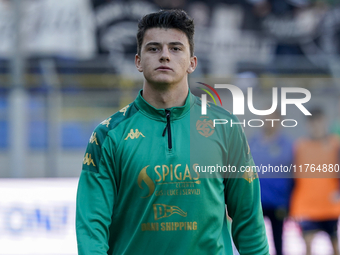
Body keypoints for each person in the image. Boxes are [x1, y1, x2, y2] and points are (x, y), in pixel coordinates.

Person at [76, 9, 269, 255]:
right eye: (154, 48)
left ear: (192, 63)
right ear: (138, 61)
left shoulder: (225, 127)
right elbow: (92, 228)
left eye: (176, 48)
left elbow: (249, 221)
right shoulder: (108, 135)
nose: (165, 56)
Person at [290, 107, 340, 255]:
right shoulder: (300, 146)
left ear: (324, 122)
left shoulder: (335, 145)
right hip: (306, 205)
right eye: (313, 122)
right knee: (308, 246)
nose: (316, 126)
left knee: (335, 246)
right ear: (308, 124)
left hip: (329, 205)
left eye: (319, 122)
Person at [249, 111, 294, 255]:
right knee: (252, 239)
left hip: (277, 202)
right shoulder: (251, 143)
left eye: (273, 118)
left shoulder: (288, 146)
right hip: (255, 202)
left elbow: (294, 175)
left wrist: (289, 201)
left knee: (278, 240)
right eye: (266, 118)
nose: (269, 121)